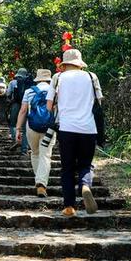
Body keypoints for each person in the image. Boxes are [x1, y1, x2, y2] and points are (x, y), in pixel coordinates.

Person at [46, 49, 103, 217]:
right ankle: (85, 185)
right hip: (88, 128)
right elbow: (99, 102)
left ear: (64, 64)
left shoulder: (58, 78)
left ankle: (69, 206)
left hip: (66, 129)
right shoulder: (91, 77)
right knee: (85, 164)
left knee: (68, 168)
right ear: (79, 64)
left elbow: (49, 106)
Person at [15, 69, 56, 197]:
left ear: (37, 79)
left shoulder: (29, 91)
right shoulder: (54, 91)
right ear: (49, 79)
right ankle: (41, 184)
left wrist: (17, 129)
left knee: (35, 153)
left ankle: (39, 181)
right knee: (45, 155)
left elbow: (23, 111)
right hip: (49, 127)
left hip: (32, 127)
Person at [7, 68, 31, 154]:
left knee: (13, 123)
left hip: (16, 104)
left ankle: (16, 140)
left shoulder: (13, 82)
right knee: (25, 128)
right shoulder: (29, 82)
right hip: (26, 105)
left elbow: (8, 93)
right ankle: (24, 149)